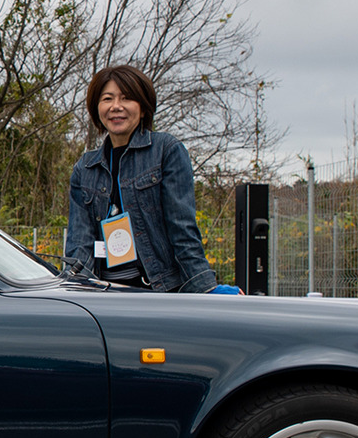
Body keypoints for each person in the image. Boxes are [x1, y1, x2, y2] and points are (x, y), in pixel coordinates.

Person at [64, 64, 240, 294]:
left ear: (144, 108)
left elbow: (182, 229)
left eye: (126, 98)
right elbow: (79, 243)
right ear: (97, 108)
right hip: (105, 295)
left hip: (160, 292)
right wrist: (73, 291)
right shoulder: (85, 167)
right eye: (107, 99)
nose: (116, 107)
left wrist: (205, 288)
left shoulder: (166, 151)